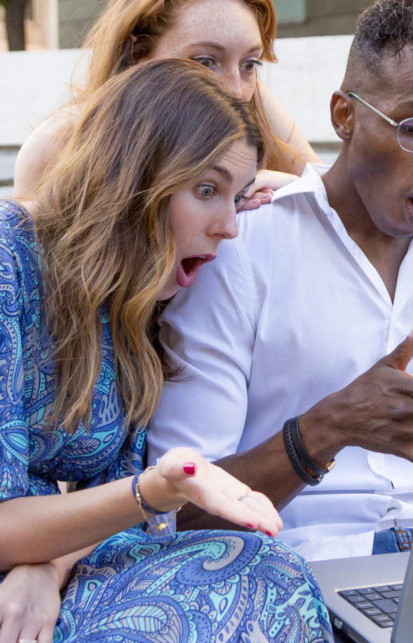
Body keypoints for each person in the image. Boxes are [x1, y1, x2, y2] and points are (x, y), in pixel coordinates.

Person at [148, 0, 413, 562]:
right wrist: (324, 431)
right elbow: (174, 511)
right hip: (293, 571)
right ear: (344, 115)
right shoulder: (240, 247)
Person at [0, 59, 333, 643]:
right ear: (133, 177)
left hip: (46, 578)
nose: (230, 227)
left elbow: (100, 520)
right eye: (207, 190)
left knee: (265, 569)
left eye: (238, 196)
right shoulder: (8, 258)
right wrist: (156, 488)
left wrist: (45, 568)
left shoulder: (130, 305)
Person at [13, 0, 320, 201]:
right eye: (204, 62)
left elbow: (341, 210)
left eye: (250, 64)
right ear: (137, 56)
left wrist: (299, 190)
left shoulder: (249, 105)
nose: (236, 91)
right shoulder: (58, 149)